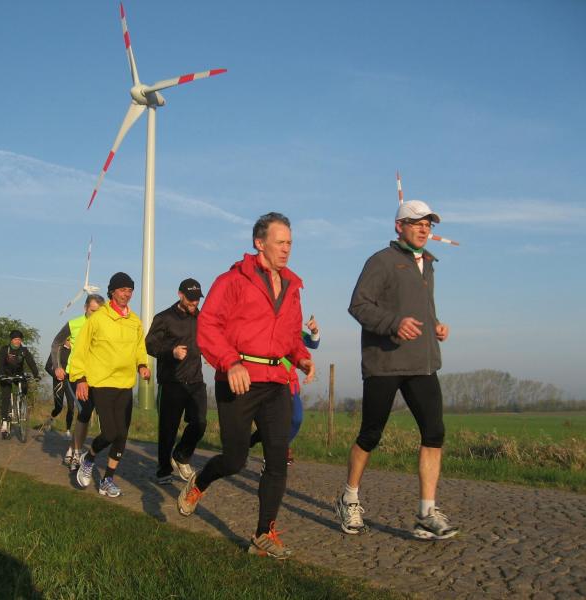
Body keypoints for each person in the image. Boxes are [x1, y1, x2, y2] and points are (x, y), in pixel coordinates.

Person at [178, 212, 315, 559]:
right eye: (280, 242)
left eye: (290, 243)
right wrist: (231, 362)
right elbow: (208, 326)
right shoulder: (232, 280)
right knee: (235, 459)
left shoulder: (293, 286)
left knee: (277, 458)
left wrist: (301, 357)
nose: (286, 249)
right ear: (259, 243)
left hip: (276, 382)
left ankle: (263, 533)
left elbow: (292, 334)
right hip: (237, 380)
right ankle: (200, 481)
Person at [334, 199, 459, 540]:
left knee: (434, 433)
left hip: (422, 363)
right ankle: (349, 498)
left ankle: (426, 513)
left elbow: (418, 307)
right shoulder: (381, 261)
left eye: (428, 224)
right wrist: (393, 324)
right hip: (385, 363)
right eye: (417, 223)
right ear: (399, 226)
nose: (424, 229)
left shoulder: (427, 263)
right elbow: (358, 305)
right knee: (370, 435)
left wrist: (435, 325)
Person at [69, 272, 151, 498]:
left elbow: (139, 347)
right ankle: (89, 458)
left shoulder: (135, 321)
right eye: (123, 290)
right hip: (101, 383)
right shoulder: (97, 319)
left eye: (130, 290)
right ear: (112, 292)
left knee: (122, 435)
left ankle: (107, 480)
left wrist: (142, 365)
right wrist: (80, 379)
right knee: (110, 432)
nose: (127, 294)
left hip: (125, 384)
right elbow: (81, 350)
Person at [145, 278, 207, 485]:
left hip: (196, 380)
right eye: (190, 299)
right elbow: (149, 345)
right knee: (168, 430)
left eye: (197, 299)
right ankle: (163, 470)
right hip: (171, 382)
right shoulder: (164, 318)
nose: (194, 303)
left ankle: (181, 455)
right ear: (180, 295)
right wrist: (171, 352)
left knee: (200, 422)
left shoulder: (201, 318)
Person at [250, 315, 320, 467]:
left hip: (290, 383)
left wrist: (314, 330)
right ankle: (273, 451)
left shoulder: (293, 330)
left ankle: (277, 445)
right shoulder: (263, 326)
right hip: (268, 381)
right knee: (270, 421)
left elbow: (313, 343)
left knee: (296, 418)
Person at [48, 293, 106, 469]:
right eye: (92, 311)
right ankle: (77, 454)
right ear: (85, 308)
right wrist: (57, 366)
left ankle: (72, 448)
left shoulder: (105, 325)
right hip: (75, 375)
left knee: (85, 415)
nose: (95, 315)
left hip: (97, 376)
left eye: (99, 312)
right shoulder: (74, 324)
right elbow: (56, 343)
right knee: (84, 411)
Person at [0, 330, 40, 439]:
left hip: (18, 374)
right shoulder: (5, 349)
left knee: (24, 386)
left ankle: (21, 404)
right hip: (6, 375)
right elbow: (0, 364)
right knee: (6, 396)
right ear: (11, 340)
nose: (17, 341)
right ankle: (4, 421)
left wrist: (36, 374)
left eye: (19, 339)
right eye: (15, 339)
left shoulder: (23, 350)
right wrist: (1, 374)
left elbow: (31, 362)